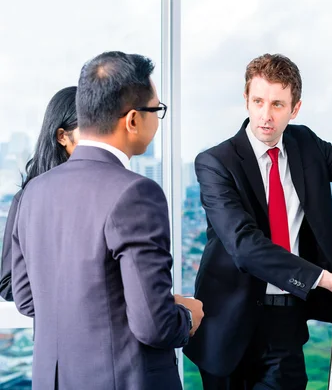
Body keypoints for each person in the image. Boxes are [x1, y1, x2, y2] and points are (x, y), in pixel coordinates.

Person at [11, 51, 204, 390]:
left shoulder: (33, 192)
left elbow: (28, 299)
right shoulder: (135, 193)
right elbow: (153, 325)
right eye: (156, 110)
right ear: (132, 119)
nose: (158, 120)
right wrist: (187, 316)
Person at [183, 53, 332, 389]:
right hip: (228, 323)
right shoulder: (216, 162)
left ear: (295, 109)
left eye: (277, 105)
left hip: (287, 319)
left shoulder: (307, 145)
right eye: (258, 101)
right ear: (246, 100)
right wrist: (323, 278)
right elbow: (243, 245)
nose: (265, 116)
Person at [0, 86, 79, 301]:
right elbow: (7, 284)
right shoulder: (29, 198)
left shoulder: (106, 193)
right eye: (89, 130)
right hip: (56, 328)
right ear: (62, 136)